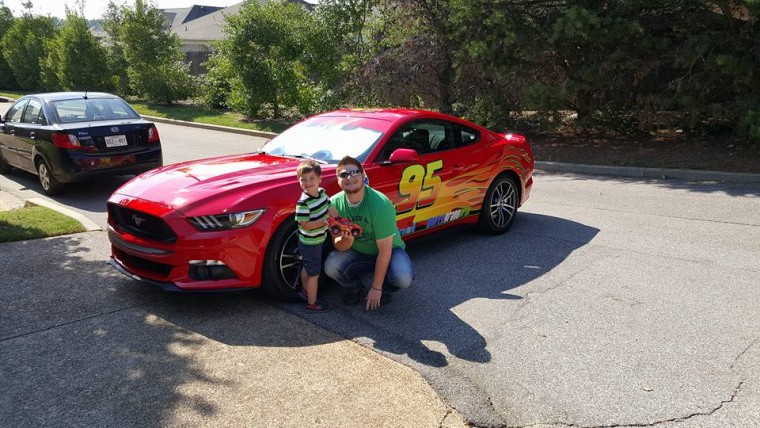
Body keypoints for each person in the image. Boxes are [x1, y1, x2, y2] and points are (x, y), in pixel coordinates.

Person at [324, 156, 414, 310]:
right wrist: (349, 240)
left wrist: (376, 288)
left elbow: (385, 251)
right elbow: (339, 246)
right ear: (338, 180)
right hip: (358, 251)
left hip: (390, 251)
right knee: (331, 266)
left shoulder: (380, 204)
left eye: (355, 172)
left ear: (363, 175)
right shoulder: (333, 205)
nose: (350, 177)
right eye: (344, 175)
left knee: (403, 277)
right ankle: (354, 287)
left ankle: (385, 289)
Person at [295, 159, 338, 312]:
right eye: (303, 180)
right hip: (309, 242)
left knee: (308, 267)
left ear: (320, 179)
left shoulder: (321, 193)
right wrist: (323, 222)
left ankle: (305, 290)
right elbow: (304, 224)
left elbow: (329, 206)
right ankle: (312, 303)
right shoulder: (303, 203)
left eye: (311, 178)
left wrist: (338, 218)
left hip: (318, 239)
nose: (307, 183)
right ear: (299, 181)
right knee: (314, 274)